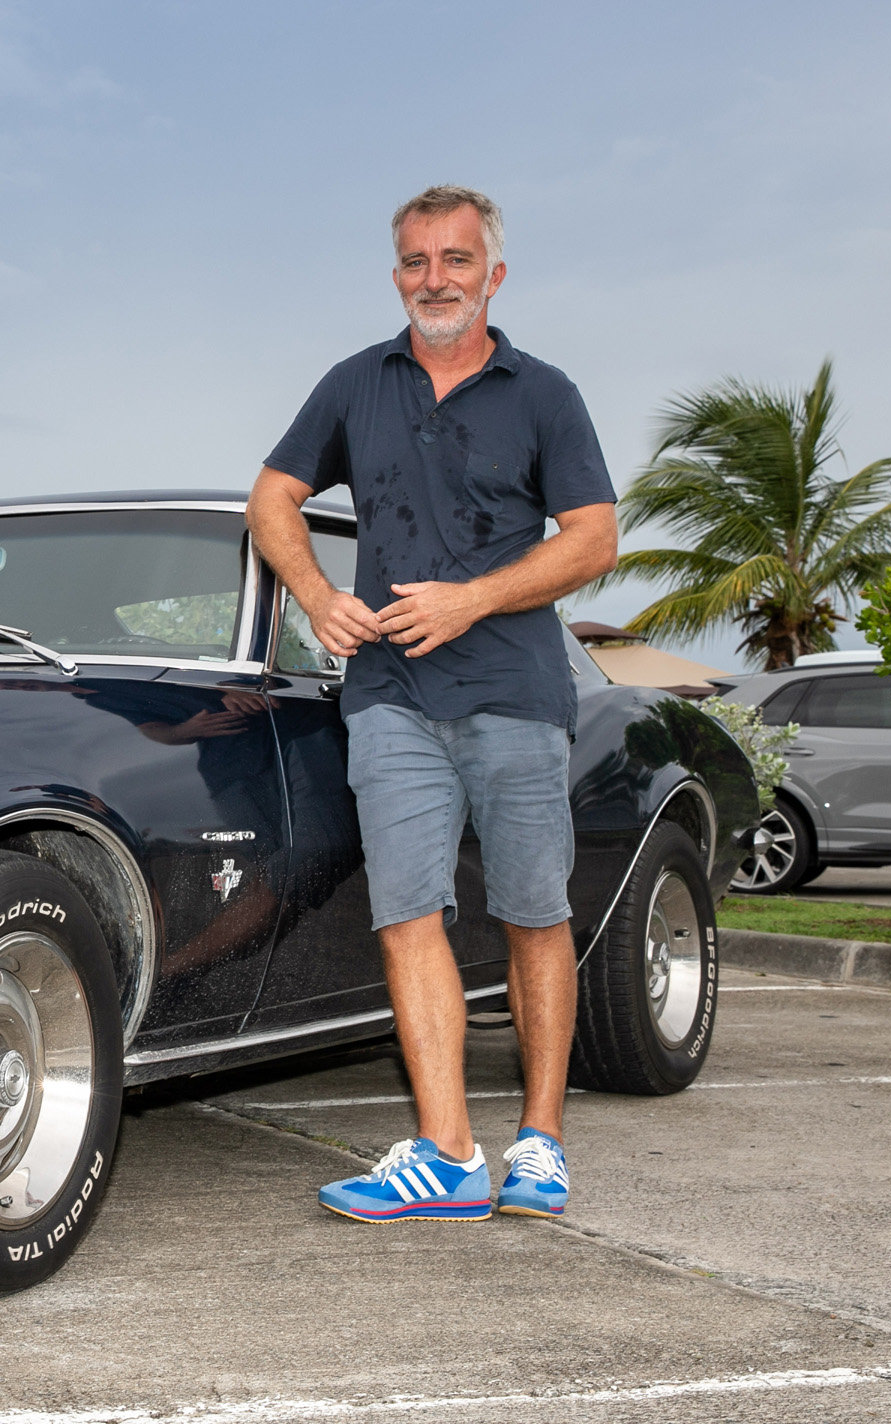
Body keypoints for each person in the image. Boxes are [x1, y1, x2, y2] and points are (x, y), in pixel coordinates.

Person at [245, 185, 618, 1222]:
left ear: (492, 274)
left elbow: (593, 537)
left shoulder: (544, 394)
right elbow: (272, 497)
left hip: (515, 692)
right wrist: (316, 594)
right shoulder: (355, 383)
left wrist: (473, 600)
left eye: (455, 259)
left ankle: (540, 1142)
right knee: (408, 913)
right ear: (396, 274)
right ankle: (448, 1154)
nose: (435, 278)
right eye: (416, 261)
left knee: (533, 914)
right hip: (390, 697)